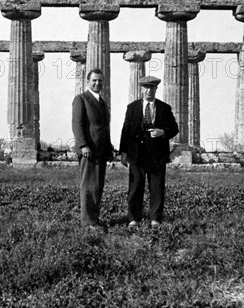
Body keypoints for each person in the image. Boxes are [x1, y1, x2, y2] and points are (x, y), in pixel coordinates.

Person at [119, 76, 178, 230]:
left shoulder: (164, 108)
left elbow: (174, 128)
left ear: (156, 89)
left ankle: (155, 220)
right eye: (146, 87)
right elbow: (125, 131)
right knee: (135, 186)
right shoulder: (132, 108)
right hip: (136, 154)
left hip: (157, 155)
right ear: (141, 89)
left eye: (152, 88)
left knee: (157, 187)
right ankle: (133, 219)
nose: (149, 91)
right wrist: (123, 152)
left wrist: (162, 132)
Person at [72, 68, 114, 230]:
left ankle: (94, 219)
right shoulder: (81, 99)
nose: (97, 83)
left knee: (97, 186)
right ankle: (87, 222)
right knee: (88, 185)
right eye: (94, 80)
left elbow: (104, 127)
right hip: (88, 150)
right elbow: (77, 124)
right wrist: (83, 145)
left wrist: (109, 149)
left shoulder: (102, 102)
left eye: (100, 81)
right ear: (87, 82)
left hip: (101, 150)